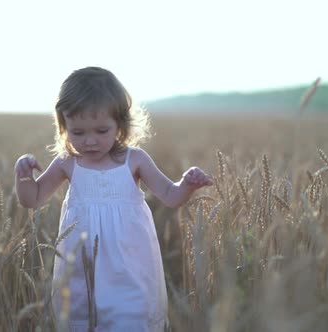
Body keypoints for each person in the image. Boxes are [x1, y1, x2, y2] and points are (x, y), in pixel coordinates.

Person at [15, 67, 213, 331]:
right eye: (78, 132)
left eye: (101, 130)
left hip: (128, 266)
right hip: (81, 266)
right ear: (63, 126)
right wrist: (24, 177)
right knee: (80, 317)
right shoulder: (67, 163)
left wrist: (187, 184)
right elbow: (33, 199)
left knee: (129, 318)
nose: (90, 141)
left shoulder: (135, 160)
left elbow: (170, 196)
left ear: (120, 124)